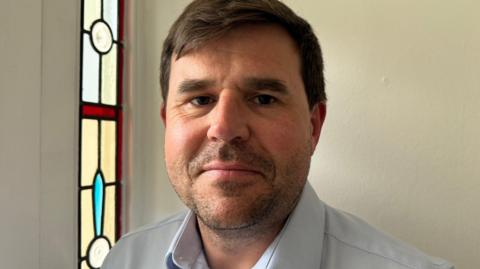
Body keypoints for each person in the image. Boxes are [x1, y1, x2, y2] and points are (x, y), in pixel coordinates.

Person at [102, 0, 454, 268]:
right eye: (200, 99)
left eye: (264, 98)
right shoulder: (126, 259)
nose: (224, 128)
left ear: (313, 126)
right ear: (167, 122)